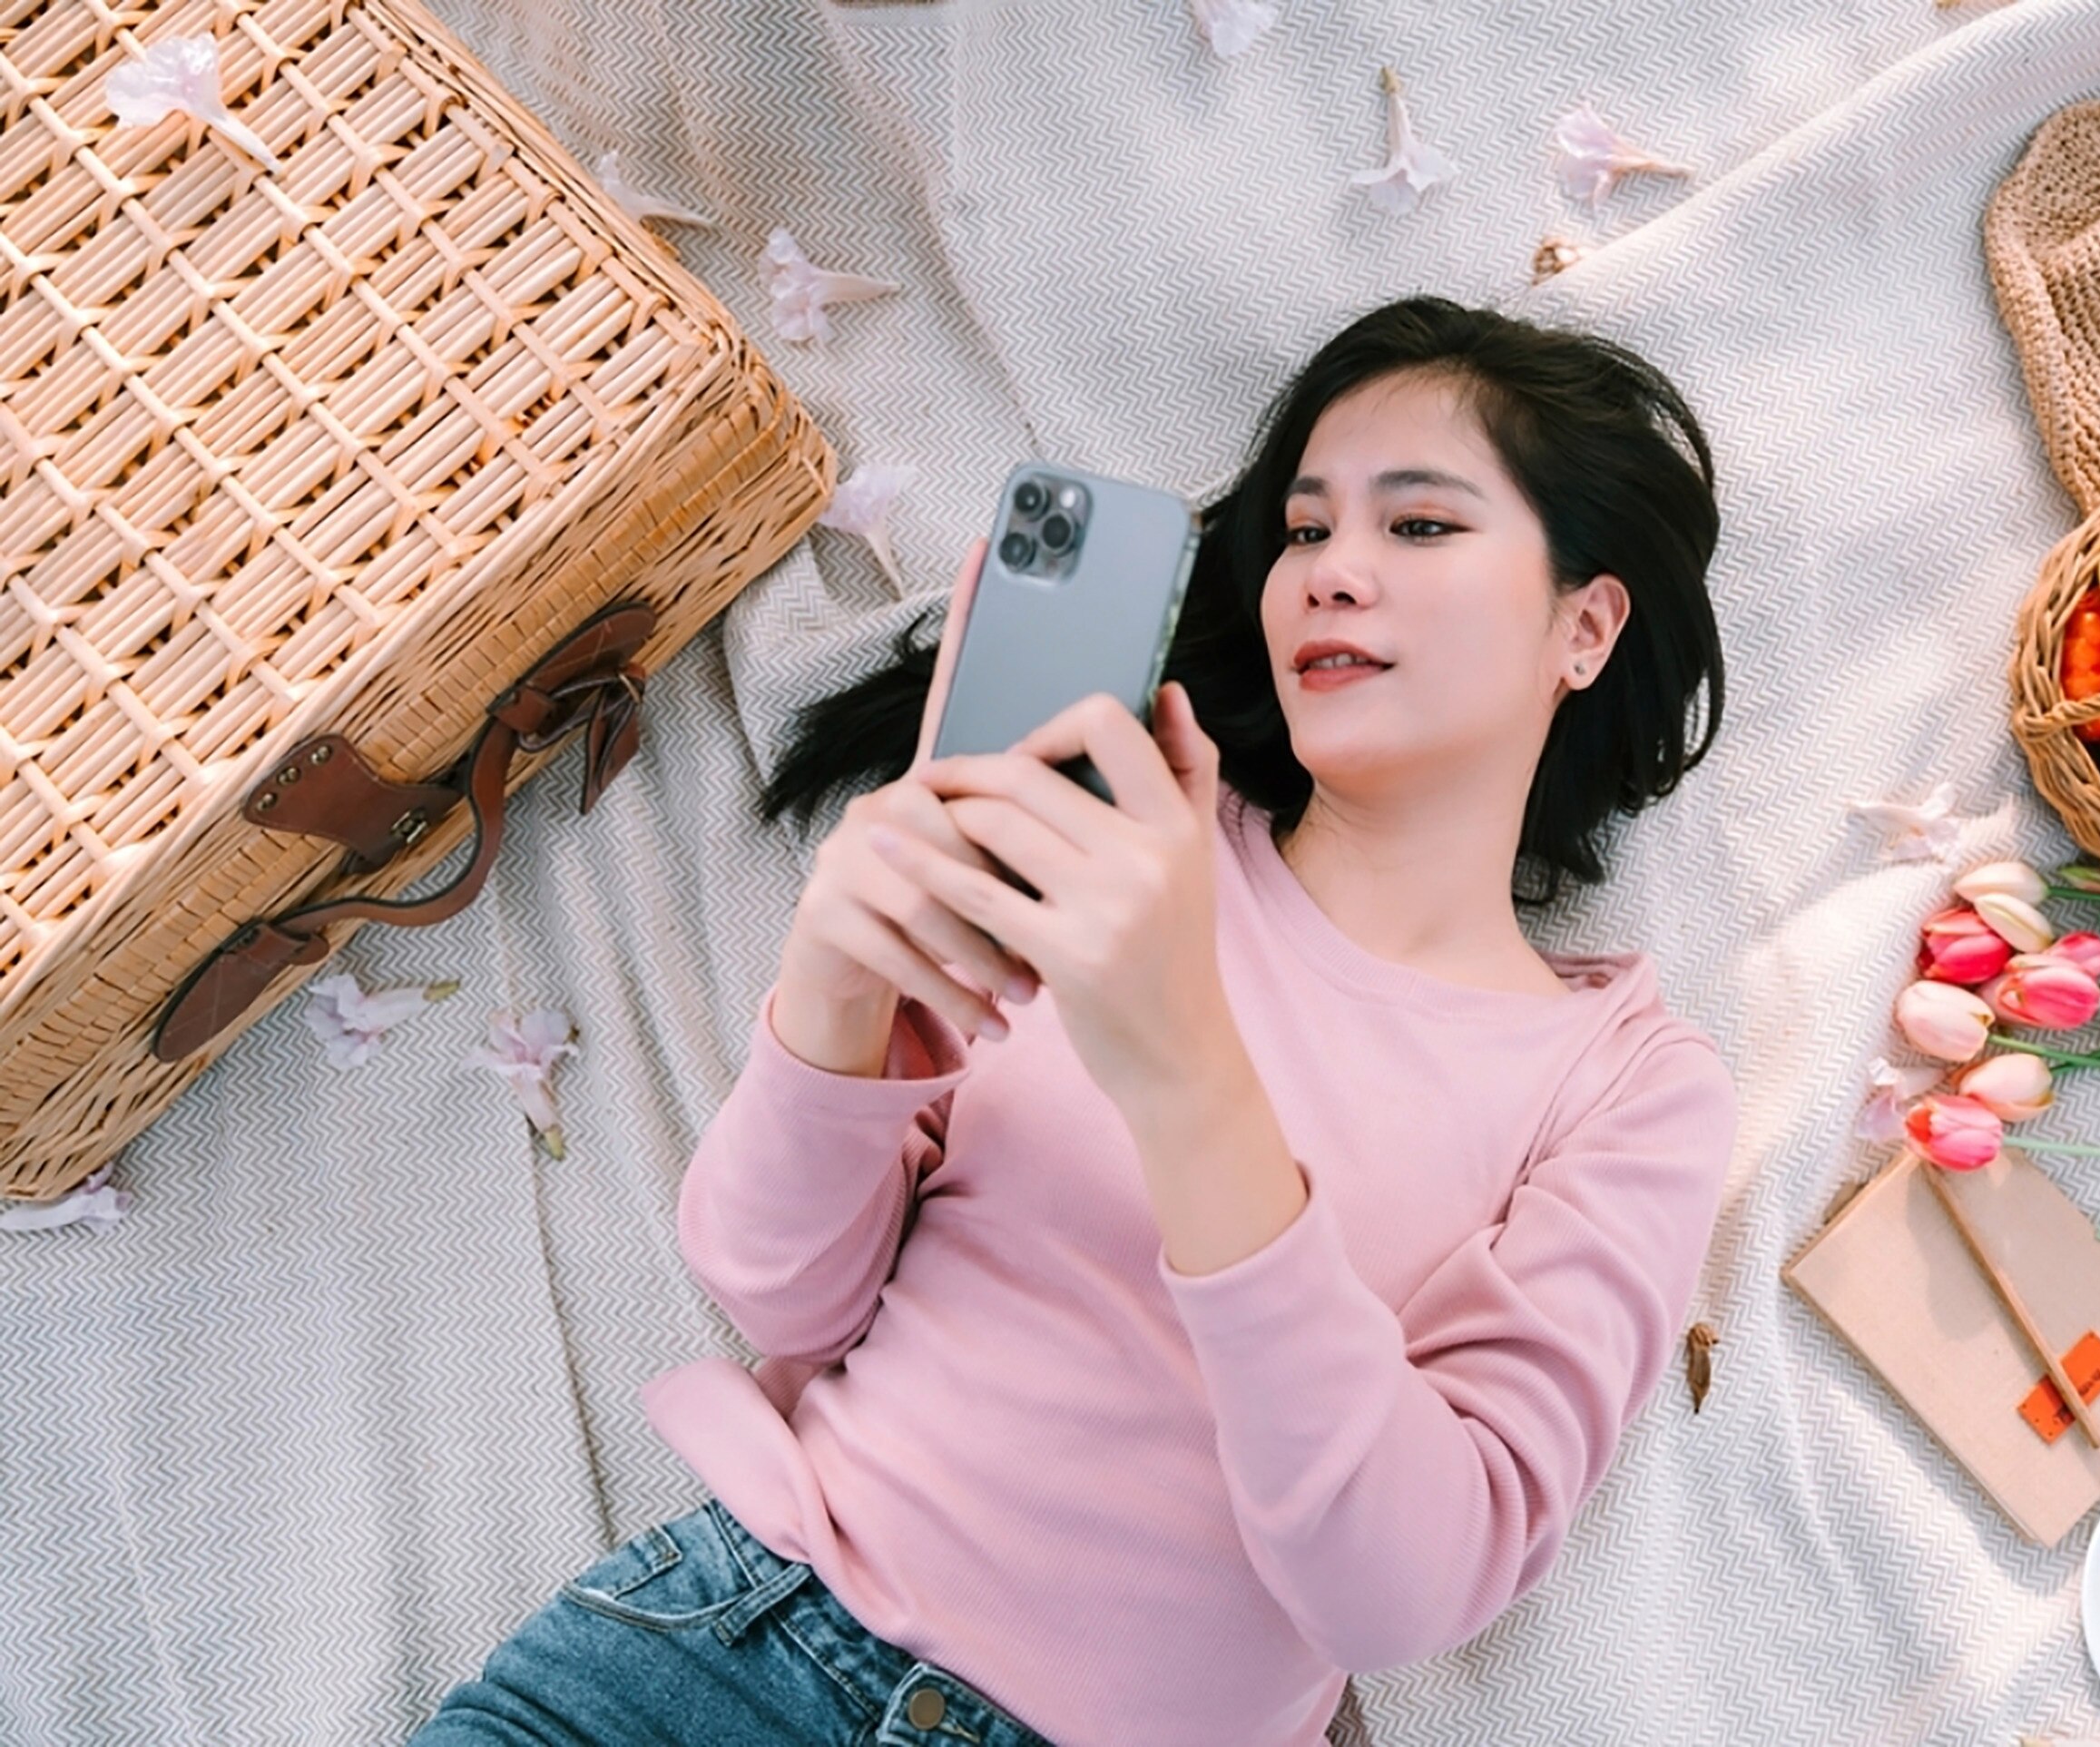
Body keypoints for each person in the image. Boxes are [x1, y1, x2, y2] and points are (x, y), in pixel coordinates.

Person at [414, 296, 1740, 1747]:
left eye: (1418, 527)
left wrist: (1183, 1066)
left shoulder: (1625, 1086)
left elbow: (1399, 1586)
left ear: (1585, 623)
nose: (1331, 575)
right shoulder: (1114, 835)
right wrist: (834, 991)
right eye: (1303, 531)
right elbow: (779, 1287)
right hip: (720, 1651)